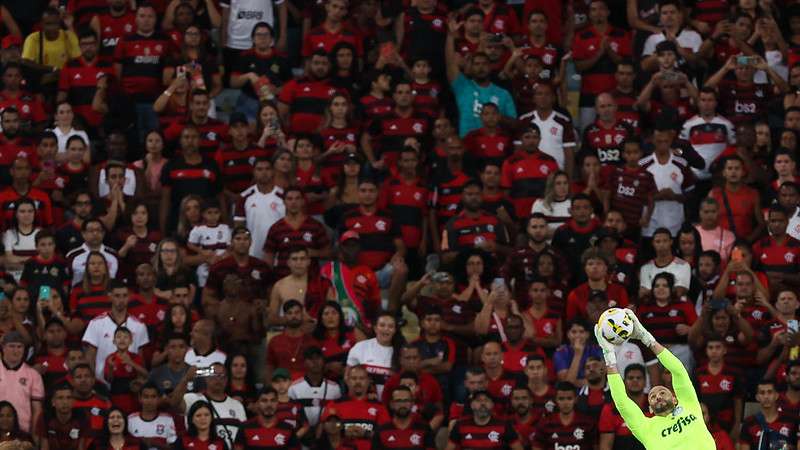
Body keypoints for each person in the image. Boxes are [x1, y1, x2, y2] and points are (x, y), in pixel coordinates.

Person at [595, 308, 716, 450]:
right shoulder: (646, 428)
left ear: (675, 399)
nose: (657, 396)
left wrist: (646, 338)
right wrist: (609, 355)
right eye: (652, 397)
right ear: (650, 409)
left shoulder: (690, 405)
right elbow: (622, 402)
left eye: (662, 393)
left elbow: (678, 371)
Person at [446, 390, 523, 450]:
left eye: (486, 400)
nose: (482, 403)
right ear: (471, 405)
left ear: (492, 405)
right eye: (478, 400)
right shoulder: (460, 425)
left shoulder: (504, 425)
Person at [0, 332, 43, 436]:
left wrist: (34, 435)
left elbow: (37, 410)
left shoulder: (34, 375)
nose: (16, 350)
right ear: (3, 348)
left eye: (19, 347)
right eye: (12, 346)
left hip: (22, 432)